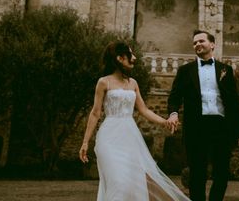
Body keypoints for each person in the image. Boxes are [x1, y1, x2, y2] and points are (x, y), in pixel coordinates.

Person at [80, 41, 190, 201]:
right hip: (108, 138)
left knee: (134, 182)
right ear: (120, 58)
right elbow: (95, 113)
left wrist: (164, 122)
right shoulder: (104, 82)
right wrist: (85, 142)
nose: (135, 58)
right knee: (118, 182)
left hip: (129, 137)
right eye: (130, 55)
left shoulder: (133, 83)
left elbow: (144, 110)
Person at [167, 30, 239, 201]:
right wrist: (173, 113)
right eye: (194, 43)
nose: (197, 45)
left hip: (221, 126)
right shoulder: (185, 71)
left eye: (201, 41)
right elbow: (174, 97)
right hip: (197, 126)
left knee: (222, 173)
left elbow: (234, 102)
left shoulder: (226, 70)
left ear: (212, 44)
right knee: (197, 173)